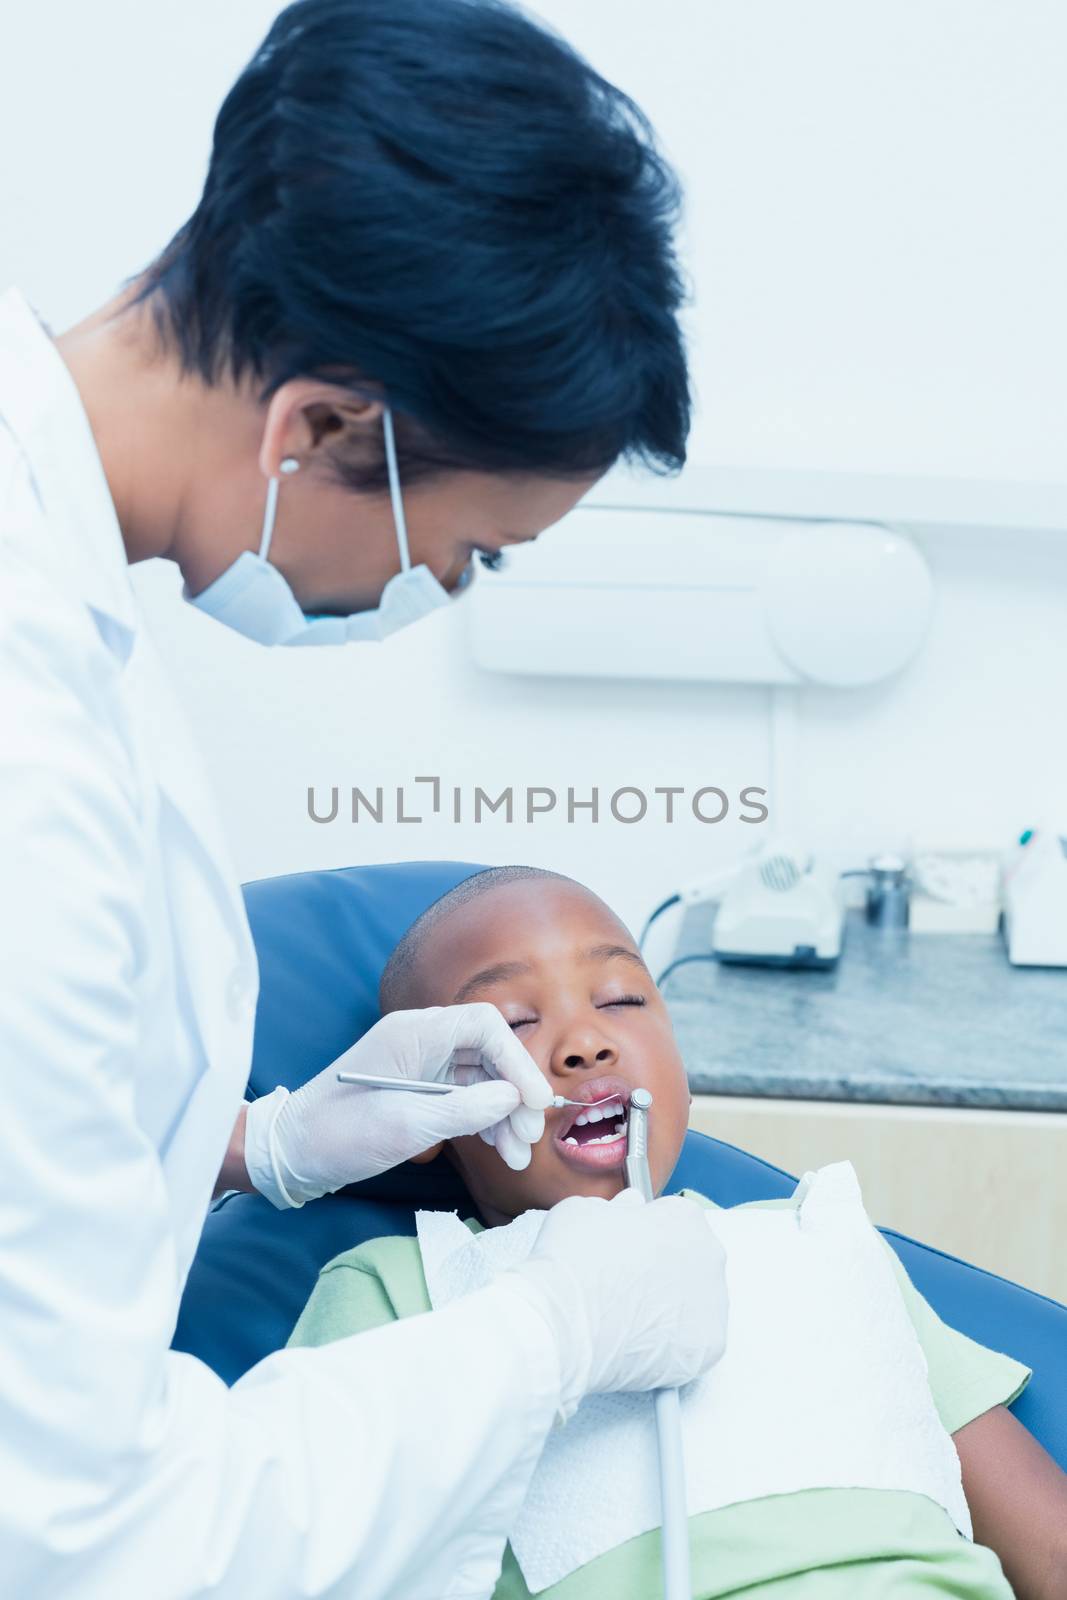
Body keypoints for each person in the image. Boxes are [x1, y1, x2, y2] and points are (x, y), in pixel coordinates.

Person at [0, 3, 727, 1596]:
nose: (437, 588)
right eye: (467, 550)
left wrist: (258, 1143)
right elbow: (84, 1544)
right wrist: (551, 1335)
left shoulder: (62, 562)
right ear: (323, 428)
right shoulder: (26, 761)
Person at [289, 865, 1067, 1600]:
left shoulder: (817, 1240)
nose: (586, 1043)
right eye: (515, 1022)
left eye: (622, 1000)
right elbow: (313, 1546)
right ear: (415, 1109)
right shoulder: (400, 1287)